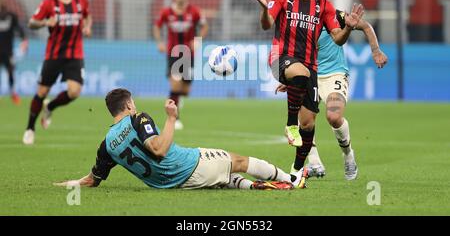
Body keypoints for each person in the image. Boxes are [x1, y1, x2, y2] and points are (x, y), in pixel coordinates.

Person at [54, 88, 308, 190]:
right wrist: (171, 117)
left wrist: (67, 184)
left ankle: (253, 187)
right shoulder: (138, 117)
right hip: (189, 165)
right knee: (238, 160)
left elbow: (91, 180)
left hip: (174, 185)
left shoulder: (106, 145)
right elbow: (159, 149)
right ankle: (292, 180)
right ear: (129, 104)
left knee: (223, 176)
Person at [252, 0, 363, 177]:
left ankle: (295, 172)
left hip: (309, 69)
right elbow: (266, 25)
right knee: (300, 76)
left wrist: (349, 28)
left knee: (309, 124)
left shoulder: (323, 6)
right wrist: (265, 10)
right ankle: (289, 123)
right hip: (280, 58)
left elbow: (337, 38)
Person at [276, 10, 388, 180]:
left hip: (334, 74)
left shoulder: (334, 15)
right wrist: (291, 77)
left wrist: (375, 50)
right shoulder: (296, 21)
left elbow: (365, 26)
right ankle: (314, 163)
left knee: (334, 117)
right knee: (301, 124)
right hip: (309, 74)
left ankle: (348, 155)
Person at [22, 0, 92, 145]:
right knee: (42, 91)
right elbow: (31, 22)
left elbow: (87, 16)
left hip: (75, 54)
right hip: (54, 55)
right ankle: (30, 128)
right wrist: (45, 22)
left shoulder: (81, 1)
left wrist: (87, 26)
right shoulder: (48, 3)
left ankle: (50, 107)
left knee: (75, 92)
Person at [153, 0, 208, 130]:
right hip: (173, 53)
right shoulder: (166, 12)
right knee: (175, 83)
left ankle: (177, 99)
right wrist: (159, 42)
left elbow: (204, 26)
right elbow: (157, 26)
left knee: (185, 91)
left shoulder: (194, 12)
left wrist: (198, 40)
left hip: (189, 54)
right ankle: (174, 118)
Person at [0, 0, 28, 105]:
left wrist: (24, 39)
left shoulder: (12, 16)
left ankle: (13, 93)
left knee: (11, 72)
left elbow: (20, 29)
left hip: (8, 51)